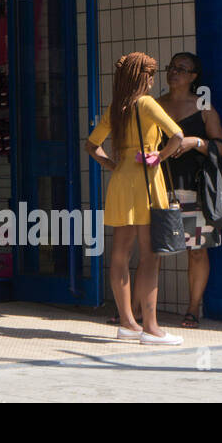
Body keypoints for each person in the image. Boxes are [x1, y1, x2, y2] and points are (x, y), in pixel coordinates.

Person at [85, 52, 185, 345]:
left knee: (120, 253)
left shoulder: (117, 107)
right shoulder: (146, 103)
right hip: (145, 179)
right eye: (150, 75)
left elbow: (91, 146)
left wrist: (113, 166)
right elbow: (177, 135)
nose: (154, 80)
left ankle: (128, 323)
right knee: (150, 254)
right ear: (143, 78)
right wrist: (160, 155)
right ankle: (151, 328)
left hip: (121, 180)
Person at [157, 52, 222, 328]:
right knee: (154, 249)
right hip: (160, 187)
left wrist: (195, 142)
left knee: (197, 250)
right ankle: (141, 308)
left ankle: (193, 309)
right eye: (171, 67)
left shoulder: (204, 108)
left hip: (194, 189)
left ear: (194, 76)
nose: (173, 72)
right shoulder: (156, 105)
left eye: (181, 68)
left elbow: (221, 148)